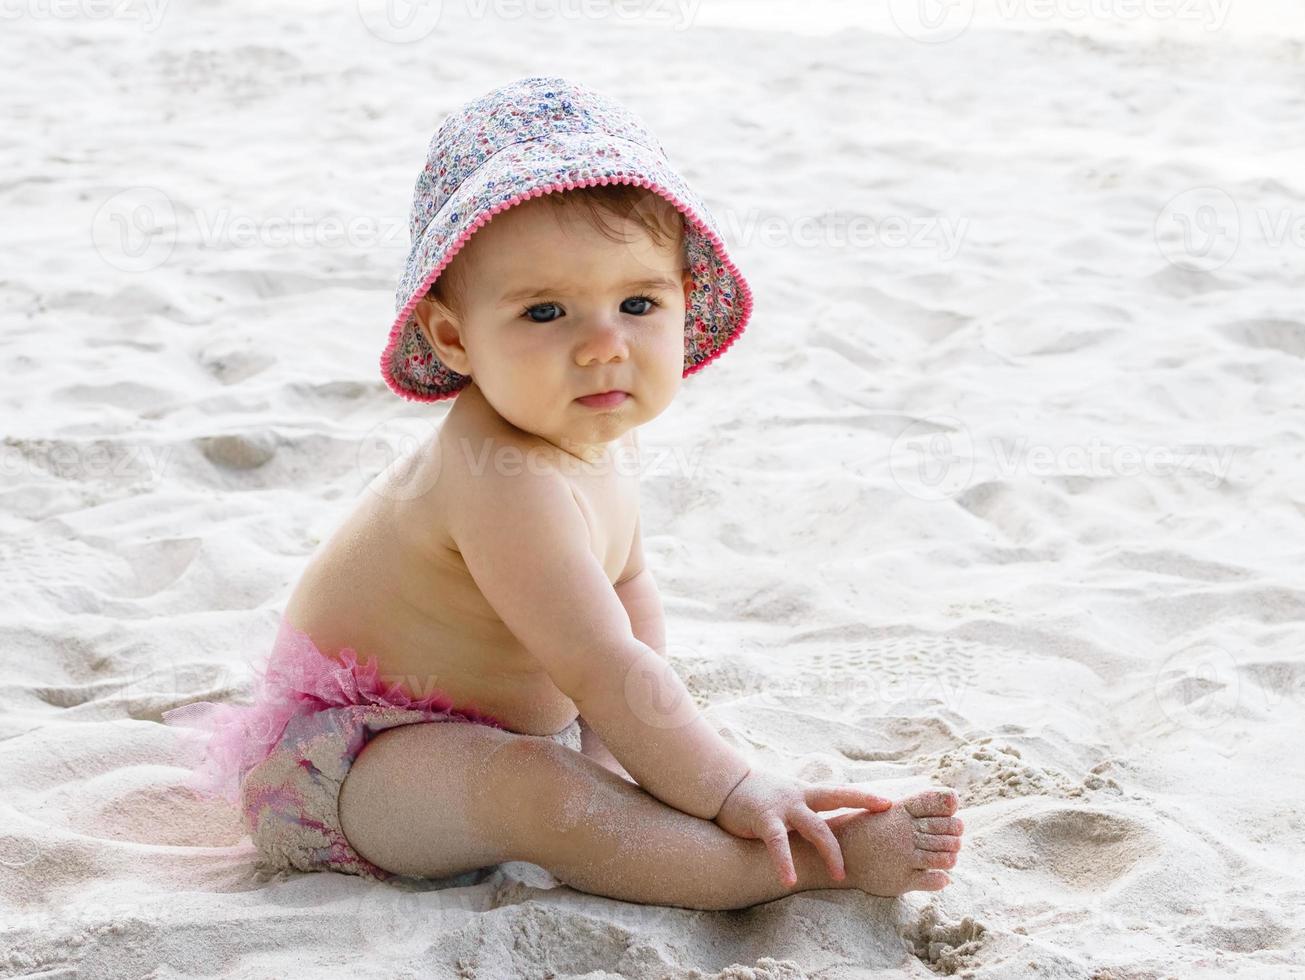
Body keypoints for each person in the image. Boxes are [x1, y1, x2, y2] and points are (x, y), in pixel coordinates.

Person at [163, 76, 962, 910]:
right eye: (546, 312)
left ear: (683, 304)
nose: (602, 346)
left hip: (487, 733)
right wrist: (730, 790)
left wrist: (633, 761)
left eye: (638, 302)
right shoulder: (500, 476)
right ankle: (767, 875)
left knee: (596, 767)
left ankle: (657, 817)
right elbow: (600, 663)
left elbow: (627, 599)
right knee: (540, 791)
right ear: (452, 335)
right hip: (348, 765)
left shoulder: (587, 432)